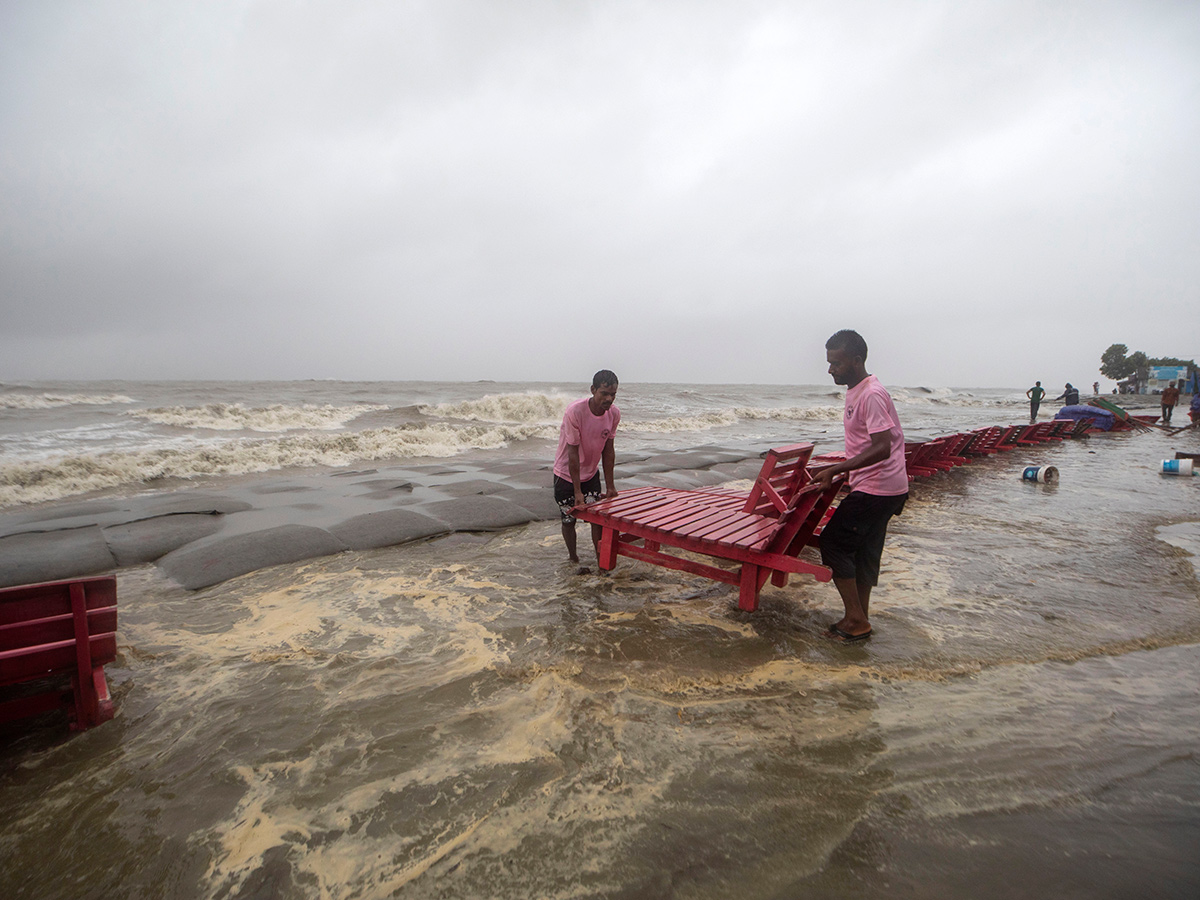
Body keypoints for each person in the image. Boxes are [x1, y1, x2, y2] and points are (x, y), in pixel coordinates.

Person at [814, 330, 909, 643]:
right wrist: (845, 471)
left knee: (833, 543)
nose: (830, 370)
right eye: (829, 363)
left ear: (856, 361)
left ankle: (856, 619)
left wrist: (837, 469)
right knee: (864, 551)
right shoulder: (858, 390)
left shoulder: (871, 394)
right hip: (886, 487)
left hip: (878, 488)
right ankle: (859, 618)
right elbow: (868, 444)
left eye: (836, 364)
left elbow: (882, 446)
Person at [553, 370, 620, 569]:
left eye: (613, 394)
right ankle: (573, 557)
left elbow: (609, 451)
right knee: (568, 520)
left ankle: (601, 561)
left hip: (591, 474)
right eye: (604, 393)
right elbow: (572, 454)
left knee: (597, 520)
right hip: (566, 475)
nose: (609, 398)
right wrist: (577, 491)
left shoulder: (614, 413)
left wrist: (610, 486)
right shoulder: (575, 412)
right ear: (593, 390)